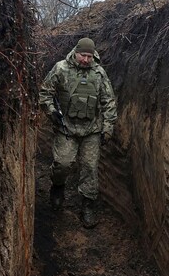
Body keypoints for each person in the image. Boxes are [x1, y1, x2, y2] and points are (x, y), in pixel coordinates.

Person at [38, 37, 117, 228]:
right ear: (76, 52)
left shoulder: (99, 73)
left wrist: (108, 127)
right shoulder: (61, 69)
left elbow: (109, 101)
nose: (86, 59)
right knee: (63, 164)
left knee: (89, 167)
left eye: (90, 56)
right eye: (83, 55)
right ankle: (57, 187)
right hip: (66, 127)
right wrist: (52, 112)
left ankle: (87, 206)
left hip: (91, 129)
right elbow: (45, 93)